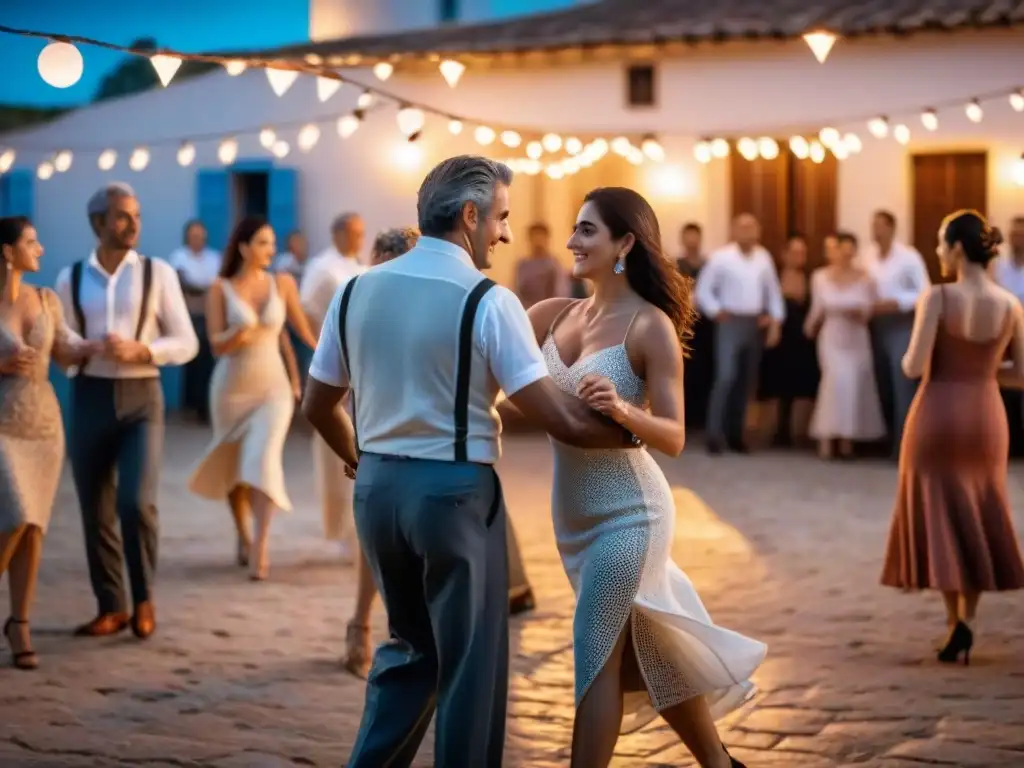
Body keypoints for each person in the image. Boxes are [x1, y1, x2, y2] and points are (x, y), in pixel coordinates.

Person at [302, 155, 635, 767]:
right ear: (470, 216)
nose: (505, 234)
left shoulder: (354, 290)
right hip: (454, 494)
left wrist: (361, 460)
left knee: (407, 653)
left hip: (376, 493)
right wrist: (636, 434)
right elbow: (558, 417)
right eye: (501, 218)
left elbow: (316, 405)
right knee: (470, 669)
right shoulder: (488, 300)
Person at [528, 188, 763, 768]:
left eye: (587, 230)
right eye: (574, 228)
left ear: (625, 243)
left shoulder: (650, 326)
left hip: (630, 515)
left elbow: (675, 436)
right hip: (573, 521)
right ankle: (721, 764)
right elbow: (506, 391)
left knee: (595, 655)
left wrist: (622, 409)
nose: (572, 241)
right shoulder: (549, 315)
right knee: (648, 651)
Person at [55, 182, 198, 640]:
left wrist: (145, 350)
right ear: (98, 222)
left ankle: (143, 599)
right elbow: (61, 339)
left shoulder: (158, 273)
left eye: (136, 214)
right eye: (122, 215)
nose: (133, 223)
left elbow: (187, 341)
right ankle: (110, 606)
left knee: (136, 502)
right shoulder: (70, 277)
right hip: (89, 396)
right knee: (94, 508)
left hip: (142, 398)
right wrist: (81, 347)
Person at [881, 210, 1024, 664]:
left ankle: (952, 621)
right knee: (979, 510)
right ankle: (969, 618)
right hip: (986, 417)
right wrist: (982, 370)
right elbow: (1020, 374)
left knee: (940, 512)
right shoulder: (1010, 305)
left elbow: (913, 366)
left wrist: (940, 361)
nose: (939, 251)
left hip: (937, 413)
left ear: (957, 248)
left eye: (942, 243)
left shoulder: (938, 297)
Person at [188, 216, 318, 580]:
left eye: (272, 243)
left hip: (273, 389)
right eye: (263, 242)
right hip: (231, 389)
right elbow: (215, 345)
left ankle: (260, 547)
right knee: (234, 468)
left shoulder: (283, 283)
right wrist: (236, 333)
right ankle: (243, 533)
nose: (270, 249)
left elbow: (301, 331)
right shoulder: (220, 288)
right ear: (244, 248)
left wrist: (335, 355)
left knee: (262, 459)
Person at [0, 217, 100, 669]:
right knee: (15, 517)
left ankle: (19, 623)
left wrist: (96, 345)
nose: (40, 249)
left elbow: (64, 349)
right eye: (31, 242)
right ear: (8, 252)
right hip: (2, 424)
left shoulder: (46, 299)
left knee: (34, 525)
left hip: (43, 425)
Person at [300, 213, 367, 561]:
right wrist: (320, 348)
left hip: (361, 366)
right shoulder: (322, 268)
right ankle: (338, 529)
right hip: (336, 362)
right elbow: (306, 309)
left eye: (361, 233)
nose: (358, 239)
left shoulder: (360, 266)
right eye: (353, 233)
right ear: (338, 232)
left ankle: (358, 529)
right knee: (336, 448)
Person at [696, 214, 784, 454]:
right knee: (726, 376)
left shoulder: (764, 257)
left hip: (754, 323)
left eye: (752, 227)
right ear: (734, 231)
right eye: (743, 227)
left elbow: (773, 292)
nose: (748, 231)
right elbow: (703, 290)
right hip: (730, 322)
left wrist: (775, 321)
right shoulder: (721, 257)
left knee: (747, 381)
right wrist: (715, 311)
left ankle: (736, 434)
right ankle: (714, 435)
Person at [804, 233, 886, 459]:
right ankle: (826, 440)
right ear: (836, 250)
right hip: (832, 336)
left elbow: (870, 309)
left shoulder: (866, 277)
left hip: (856, 337)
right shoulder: (820, 277)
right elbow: (817, 308)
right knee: (833, 382)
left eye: (851, 250)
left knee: (853, 384)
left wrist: (858, 311)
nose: (847, 254)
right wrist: (809, 327)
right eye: (843, 249)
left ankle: (847, 442)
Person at [860, 210, 930, 458]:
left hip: (901, 323)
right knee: (881, 383)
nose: (876, 230)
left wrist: (896, 302)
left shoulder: (909, 257)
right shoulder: (867, 256)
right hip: (874, 324)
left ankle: (905, 445)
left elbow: (924, 292)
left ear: (891, 228)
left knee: (902, 383)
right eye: (873, 225)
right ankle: (886, 438)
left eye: (880, 225)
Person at [756, 234, 818, 447]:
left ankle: (798, 431)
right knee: (777, 383)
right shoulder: (774, 277)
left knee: (800, 383)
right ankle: (776, 430)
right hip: (779, 337)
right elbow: (764, 303)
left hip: (803, 338)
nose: (798, 256)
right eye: (794, 252)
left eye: (802, 252)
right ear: (784, 254)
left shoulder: (811, 278)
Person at [169, 220, 221, 424]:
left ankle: (206, 407)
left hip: (210, 314)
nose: (197, 239)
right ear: (187, 237)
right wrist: (203, 289)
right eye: (193, 236)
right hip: (189, 315)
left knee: (209, 362)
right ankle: (191, 406)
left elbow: (218, 285)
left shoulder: (214, 258)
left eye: (200, 236)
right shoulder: (179, 257)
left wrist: (202, 290)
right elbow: (183, 283)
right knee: (191, 360)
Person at [676, 222, 713, 431]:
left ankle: (702, 417)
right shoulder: (676, 265)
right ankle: (684, 417)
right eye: (688, 236)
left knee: (705, 367)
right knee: (684, 369)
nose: (691, 241)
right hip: (683, 323)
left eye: (695, 236)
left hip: (705, 323)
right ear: (683, 239)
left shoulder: (709, 265)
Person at [513, 222, 568, 308]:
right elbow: (517, 292)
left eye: (541, 238)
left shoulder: (554, 265)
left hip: (549, 310)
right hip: (527, 311)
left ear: (547, 239)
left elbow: (561, 292)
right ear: (529, 239)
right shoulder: (522, 266)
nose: (538, 242)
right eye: (534, 237)